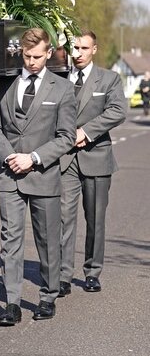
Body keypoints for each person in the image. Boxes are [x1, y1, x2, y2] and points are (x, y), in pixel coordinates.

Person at [0, 28, 77, 326]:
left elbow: (66, 137)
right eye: (27, 56)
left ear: (49, 53)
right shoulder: (5, 83)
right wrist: (8, 155)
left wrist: (34, 158)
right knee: (10, 238)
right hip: (9, 173)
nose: (32, 62)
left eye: (38, 56)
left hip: (43, 174)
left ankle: (48, 295)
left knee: (47, 239)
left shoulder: (62, 89)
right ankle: (12, 302)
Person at [58, 30, 126, 297]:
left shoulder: (109, 78)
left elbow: (118, 111)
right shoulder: (59, 78)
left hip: (96, 157)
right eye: (74, 48)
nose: (78, 53)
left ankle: (92, 272)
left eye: (84, 48)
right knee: (63, 218)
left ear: (94, 50)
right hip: (64, 160)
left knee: (95, 218)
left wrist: (85, 132)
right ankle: (62, 275)